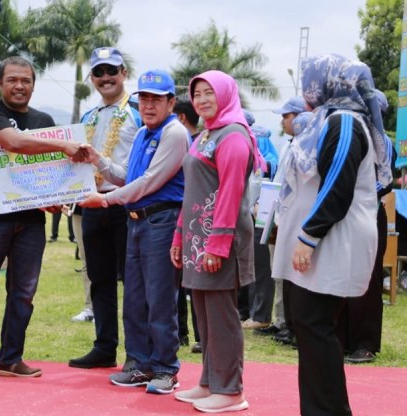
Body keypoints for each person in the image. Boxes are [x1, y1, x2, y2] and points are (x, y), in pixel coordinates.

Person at [272, 54, 392, 415]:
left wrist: (308, 238)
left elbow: (337, 186)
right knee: (314, 328)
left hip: (334, 238)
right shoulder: (338, 120)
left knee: (315, 326)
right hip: (335, 237)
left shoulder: (343, 122)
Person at [0, 56, 86, 379]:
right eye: (12, 79)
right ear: (0, 83)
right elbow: (13, 142)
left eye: (26, 80)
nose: (19, 85)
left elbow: (50, 171)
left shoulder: (43, 120)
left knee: (24, 292)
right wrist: (62, 145)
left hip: (30, 221)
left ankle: (11, 358)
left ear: (33, 85)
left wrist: (55, 198)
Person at [80, 69, 189, 394]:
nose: (149, 106)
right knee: (136, 298)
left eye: (157, 99)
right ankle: (140, 364)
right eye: (145, 99)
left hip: (161, 220)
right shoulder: (143, 133)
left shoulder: (175, 133)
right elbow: (129, 175)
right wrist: (98, 160)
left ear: (171, 102)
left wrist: (104, 200)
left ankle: (165, 368)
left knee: (159, 299)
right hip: (138, 221)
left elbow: (148, 183)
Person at [171, 70, 262, 413]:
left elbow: (230, 193)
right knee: (204, 314)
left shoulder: (234, 136)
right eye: (197, 94)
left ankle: (230, 390)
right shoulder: (206, 135)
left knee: (222, 316)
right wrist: (181, 234)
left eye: (209, 93)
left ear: (225, 94)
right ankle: (210, 382)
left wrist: (218, 244)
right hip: (198, 239)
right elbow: (192, 191)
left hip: (220, 241)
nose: (202, 100)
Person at [68, 47, 141, 370]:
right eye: (98, 73)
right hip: (93, 203)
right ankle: (105, 346)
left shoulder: (138, 112)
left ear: (124, 73)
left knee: (135, 281)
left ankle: (138, 352)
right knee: (99, 279)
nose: (105, 78)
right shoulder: (88, 117)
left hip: (127, 203)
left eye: (112, 71)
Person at [338, 89, 396, 365]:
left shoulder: (382, 141)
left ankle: (365, 343)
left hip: (369, 213)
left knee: (368, 276)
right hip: (342, 212)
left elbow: (384, 181)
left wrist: (354, 193)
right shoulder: (347, 133)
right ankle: (342, 339)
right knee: (340, 273)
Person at [254, 97, 308, 346]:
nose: (283, 121)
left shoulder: (305, 146)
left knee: (291, 273)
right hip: (280, 214)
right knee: (279, 271)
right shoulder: (288, 145)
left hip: (295, 216)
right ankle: (281, 321)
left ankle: (291, 323)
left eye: (286, 116)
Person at [239, 110, 278, 331]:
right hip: (245, 213)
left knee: (260, 265)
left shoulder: (261, 144)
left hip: (261, 212)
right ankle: (248, 311)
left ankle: (260, 314)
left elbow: (268, 171)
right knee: (247, 264)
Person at [173, 96, 202, 353]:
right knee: (187, 280)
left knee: (183, 281)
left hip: (187, 218)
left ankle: (184, 333)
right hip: (189, 218)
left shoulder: (193, 145)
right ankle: (191, 336)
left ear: (181, 117)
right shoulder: (202, 143)